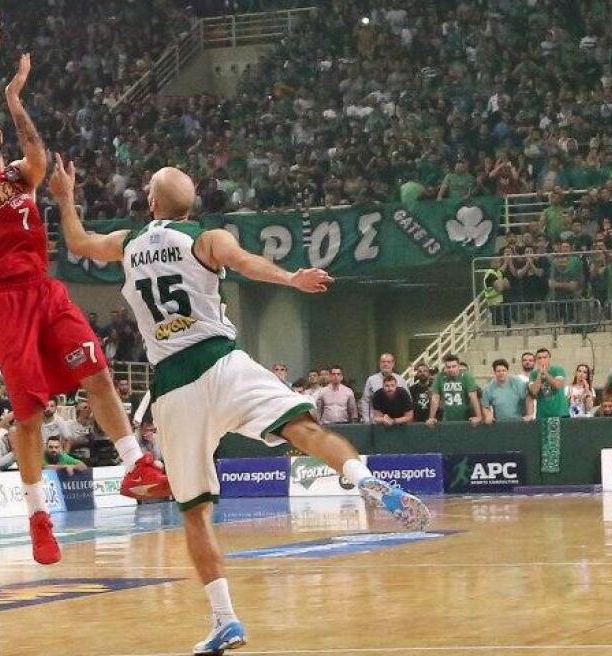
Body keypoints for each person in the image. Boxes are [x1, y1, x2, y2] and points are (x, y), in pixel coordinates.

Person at [52, 158, 429, 655]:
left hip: (174, 386)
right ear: (189, 206)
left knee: (195, 513)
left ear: (150, 203)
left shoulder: (128, 242)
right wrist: (293, 278)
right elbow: (249, 263)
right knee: (304, 428)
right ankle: (362, 479)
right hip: (224, 363)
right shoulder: (204, 239)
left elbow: (77, 243)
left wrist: (64, 195)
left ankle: (226, 620)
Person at [0, 53, 167, 564]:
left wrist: (13, 100)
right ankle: (37, 517)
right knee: (30, 415)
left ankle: (136, 463)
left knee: (98, 372)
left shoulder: (21, 179)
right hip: (3, 302)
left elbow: (39, 157)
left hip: (46, 291)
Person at [427, 354, 482, 426]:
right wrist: (431, 418)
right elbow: (435, 398)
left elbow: (473, 397)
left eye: (454, 366)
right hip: (447, 418)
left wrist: (479, 416)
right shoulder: (440, 377)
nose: (451, 369)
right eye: (448, 367)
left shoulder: (466, 376)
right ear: (445, 367)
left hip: (466, 419)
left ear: (458, 366)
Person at [360, 353, 410, 424]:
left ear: (393, 364)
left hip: (398, 422)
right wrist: (366, 420)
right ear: (379, 364)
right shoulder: (371, 380)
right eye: (383, 362)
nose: (385, 364)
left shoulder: (400, 380)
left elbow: (408, 401)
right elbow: (365, 401)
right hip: (377, 422)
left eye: (388, 362)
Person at [528, 348, 568, 419]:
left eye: (545, 357)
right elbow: (534, 391)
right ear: (536, 360)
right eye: (539, 358)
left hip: (560, 413)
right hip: (542, 414)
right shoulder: (533, 374)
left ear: (549, 359)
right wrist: (539, 374)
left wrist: (545, 373)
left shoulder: (558, 370)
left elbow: (558, 385)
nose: (542, 360)